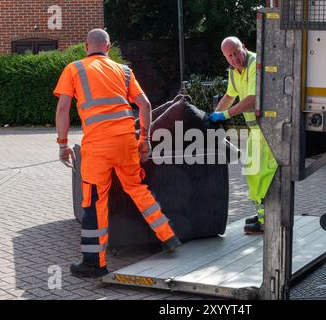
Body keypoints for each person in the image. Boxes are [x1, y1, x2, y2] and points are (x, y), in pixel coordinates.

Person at [54, 28, 181, 278]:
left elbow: (62, 109)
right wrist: (144, 139)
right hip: (125, 140)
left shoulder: (74, 68)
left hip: (97, 144)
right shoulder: (123, 70)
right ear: (109, 47)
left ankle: (94, 263)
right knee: (136, 187)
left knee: (94, 201)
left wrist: (62, 143)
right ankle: (167, 235)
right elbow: (144, 105)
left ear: (85, 46)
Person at [209, 36, 278, 234]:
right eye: (229, 56)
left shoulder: (256, 64)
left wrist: (224, 114)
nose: (234, 58)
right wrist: (212, 116)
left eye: (236, 53)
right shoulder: (233, 72)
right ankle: (263, 216)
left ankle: (268, 220)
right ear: (225, 57)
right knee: (252, 172)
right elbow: (229, 96)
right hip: (256, 130)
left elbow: (252, 99)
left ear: (244, 48)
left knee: (262, 174)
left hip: (268, 128)